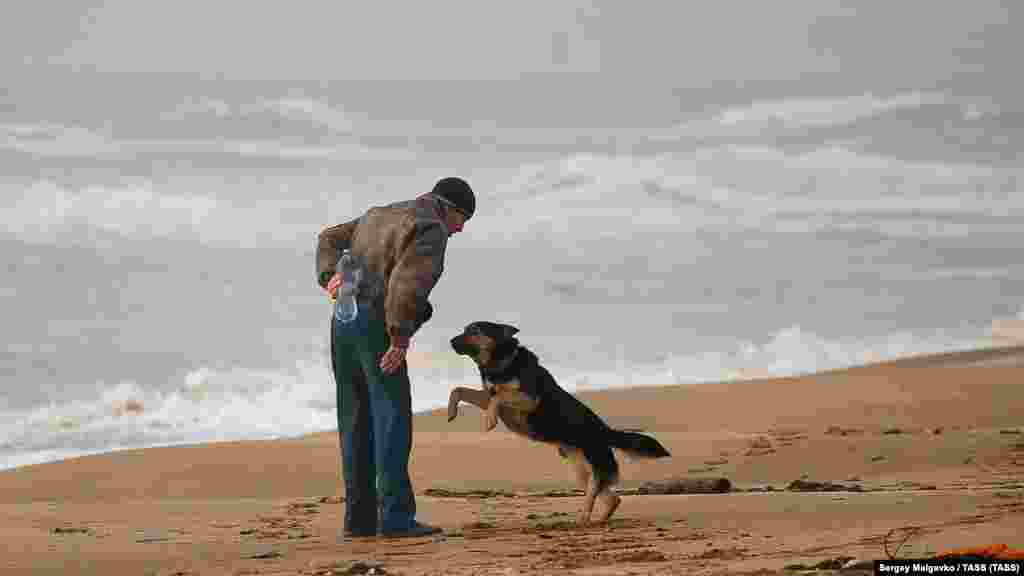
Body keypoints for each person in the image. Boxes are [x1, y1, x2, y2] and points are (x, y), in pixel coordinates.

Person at [315, 176, 475, 538]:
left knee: (354, 420)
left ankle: (358, 522)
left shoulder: (378, 214)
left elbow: (328, 238)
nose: (461, 229)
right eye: (462, 218)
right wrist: (399, 339)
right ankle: (396, 517)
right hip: (378, 322)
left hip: (343, 319)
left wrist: (329, 276)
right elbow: (407, 284)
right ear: (447, 208)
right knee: (392, 420)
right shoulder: (429, 227)